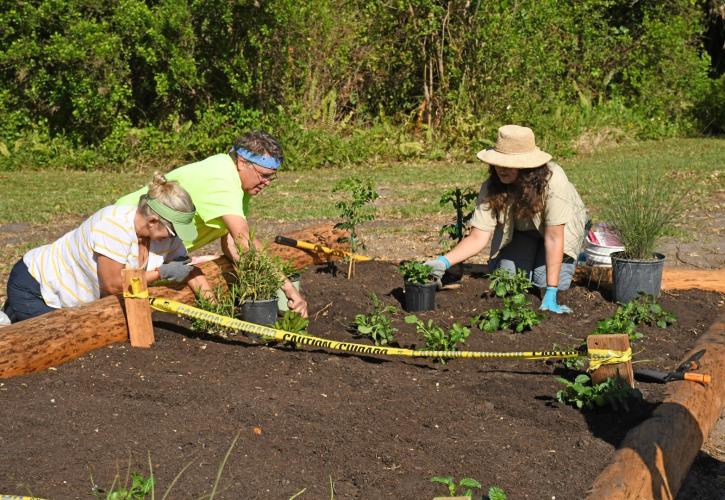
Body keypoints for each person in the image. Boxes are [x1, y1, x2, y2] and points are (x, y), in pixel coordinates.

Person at [116, 130, 308, 318]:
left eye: (271, 176)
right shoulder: (221, 178)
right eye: (264, 175)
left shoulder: (239, 184)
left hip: (158, 246)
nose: (267, 182)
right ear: (242, 162)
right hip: (129, 232)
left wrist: (261, 289)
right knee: (114, 298)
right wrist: (289, 289)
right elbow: (244, 243)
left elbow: (232, 243)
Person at [4, 174, 211, 323]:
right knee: (55, 339)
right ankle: (13, 311)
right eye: (173, 231)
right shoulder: (113, 226)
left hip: (72, 295)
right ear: (153, 220)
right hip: (37, 286)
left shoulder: (165, 235)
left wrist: (213, 307)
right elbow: (113, 285)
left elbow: (187, 266)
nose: (175, 238)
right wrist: (160, 273)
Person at [425, 125, 588, 314]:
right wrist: (443, 262)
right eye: (498, 162)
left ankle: (552, 283)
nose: (501, 169)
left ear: (527, 166)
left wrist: (551, 291)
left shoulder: (553, 182)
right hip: (522, 232)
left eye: (509, 164)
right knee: (508, 281)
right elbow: (478, 237)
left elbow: (554, 238)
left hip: (560, 232)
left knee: (544, 283)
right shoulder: (493, 185)